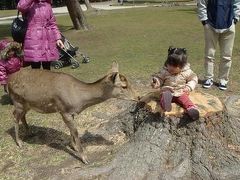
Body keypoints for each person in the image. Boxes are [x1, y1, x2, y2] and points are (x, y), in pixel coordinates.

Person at [197, 0, 240, 90]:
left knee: (227, 55)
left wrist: (236, 18)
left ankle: (223, 80)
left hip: (229, 24)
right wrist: (204, 20)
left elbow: (237, 2)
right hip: (211, 25)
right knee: (209, 54)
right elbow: (202, 3)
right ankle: (208, 78)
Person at [151, 47, 199, 120]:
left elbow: (194, 79)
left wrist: (189, 87)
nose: (170, 68)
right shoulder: (165, 71)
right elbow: (159, 78)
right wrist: (156, 82)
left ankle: (192, 109)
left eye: (174, 66)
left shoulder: (186, 71)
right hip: (168, 91)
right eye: (169, 65)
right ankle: (166, 105)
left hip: (181, 91)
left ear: (182, 66)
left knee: (185, 99)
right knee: (163, 97)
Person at [17, 0, 64, 70]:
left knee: (47, 68)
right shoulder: (30, 4)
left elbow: (52, 23)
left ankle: (47, 81)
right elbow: (21, 7)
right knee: (35, 68)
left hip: (47, 40)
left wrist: (58, 38)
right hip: (33, 40)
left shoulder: (47, 5)